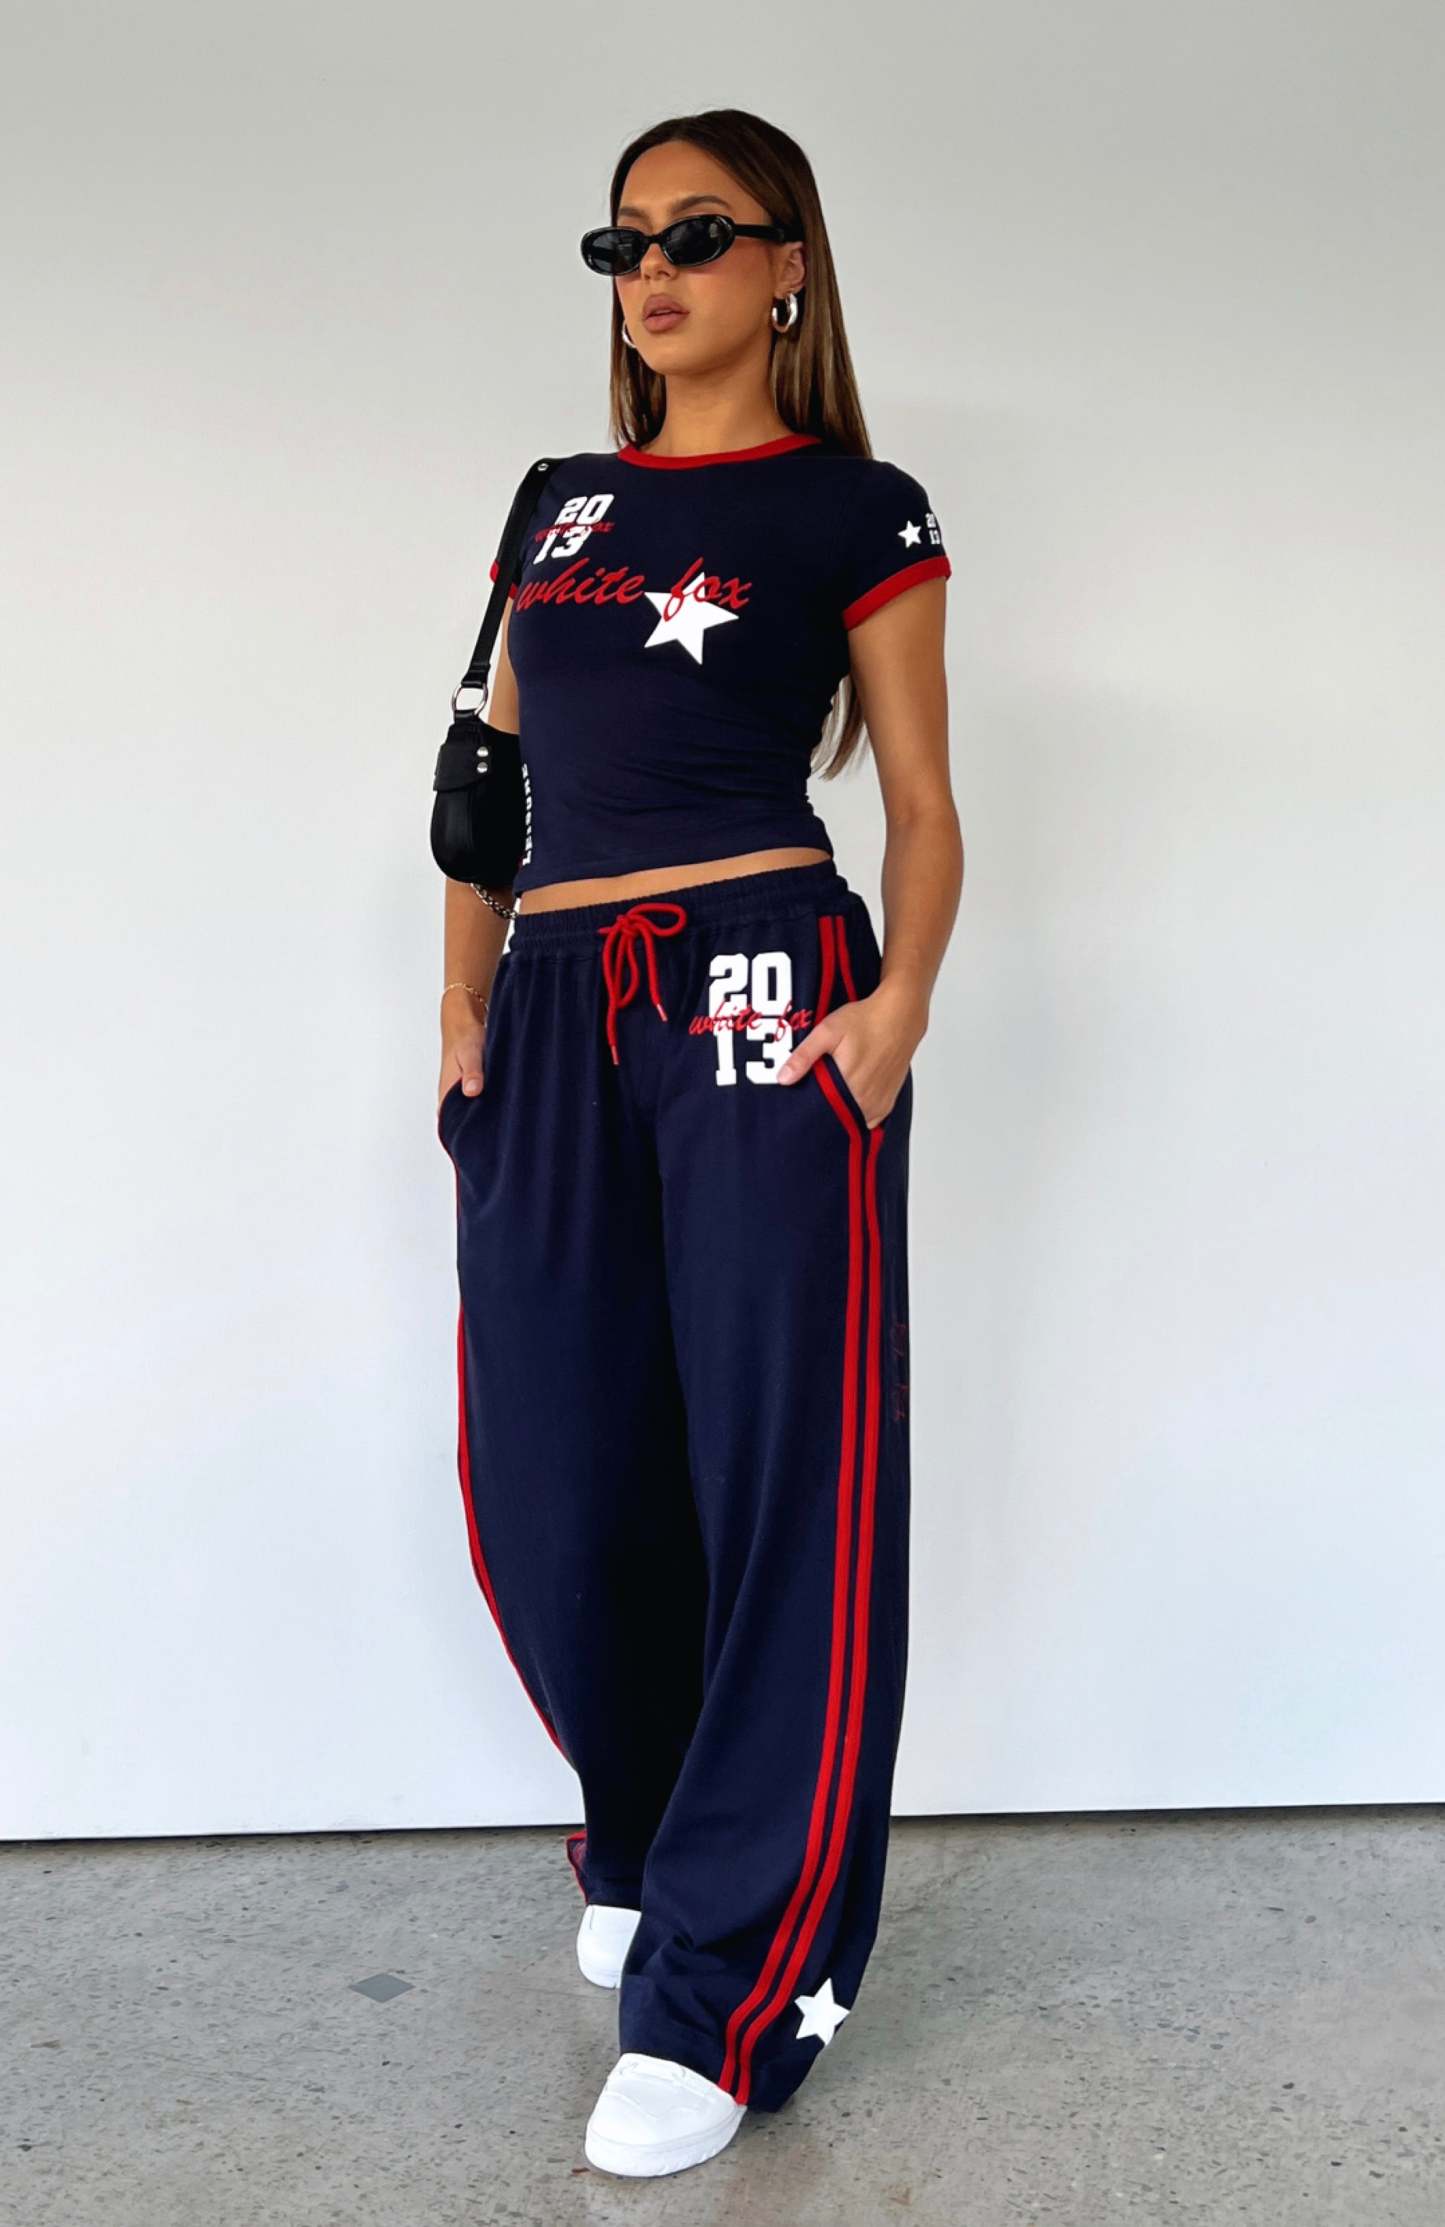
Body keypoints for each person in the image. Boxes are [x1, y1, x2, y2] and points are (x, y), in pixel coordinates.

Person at [436, 107, 963, 2180]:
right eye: (624, 241)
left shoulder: (855, 506)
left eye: (696, 234)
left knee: (781, 1473)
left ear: (788, 265)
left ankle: (732, 1989)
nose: (650, 272)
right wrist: (462, 1006)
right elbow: (480, 778)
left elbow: (919, 798)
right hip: (555, 1002)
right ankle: (647, 1832)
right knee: (559, 1454)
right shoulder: (556, 502)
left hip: (762, 986)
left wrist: (894, 1015)